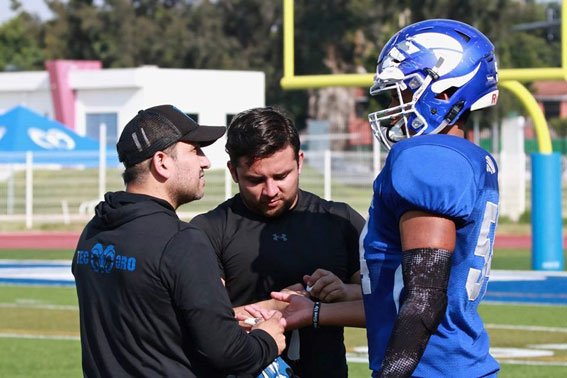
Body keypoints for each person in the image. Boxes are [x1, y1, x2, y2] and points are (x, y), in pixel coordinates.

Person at [72, 105, 286, 378]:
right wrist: (267, 339)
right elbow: (228, 353)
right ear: (162, 162)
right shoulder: (181, 240)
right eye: (195, 150)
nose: (205, 161)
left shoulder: (94, 231)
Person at [361, 19, 501, 377]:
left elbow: (425, 297)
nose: (393, 106)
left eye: (400, 93)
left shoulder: (428, 157)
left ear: (442, 91)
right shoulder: (467, 156)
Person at [191, 106, 365, 378]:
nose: (270, 191)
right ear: (233, 172)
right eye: (255, 180)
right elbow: (202, 325)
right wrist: (278, 308)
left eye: (282, 176)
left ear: (300, 161)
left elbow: (387, 305)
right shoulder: (208, 229)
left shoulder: (341, 221)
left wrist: (342, 292)